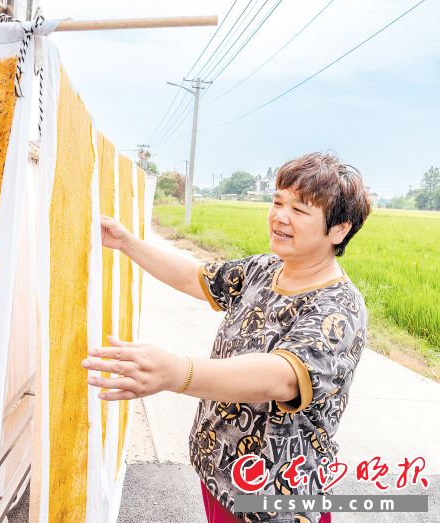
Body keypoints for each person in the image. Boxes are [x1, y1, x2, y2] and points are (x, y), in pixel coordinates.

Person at [82, 153, 372, 523]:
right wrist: (126, 243)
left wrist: (178, 373)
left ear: (339, 229)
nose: (280, 216)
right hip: (221, 474)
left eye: (299, 210)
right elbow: (195, 277)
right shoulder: (263, 269)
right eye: (277, 201)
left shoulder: (339, 307)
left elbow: (280, 377)